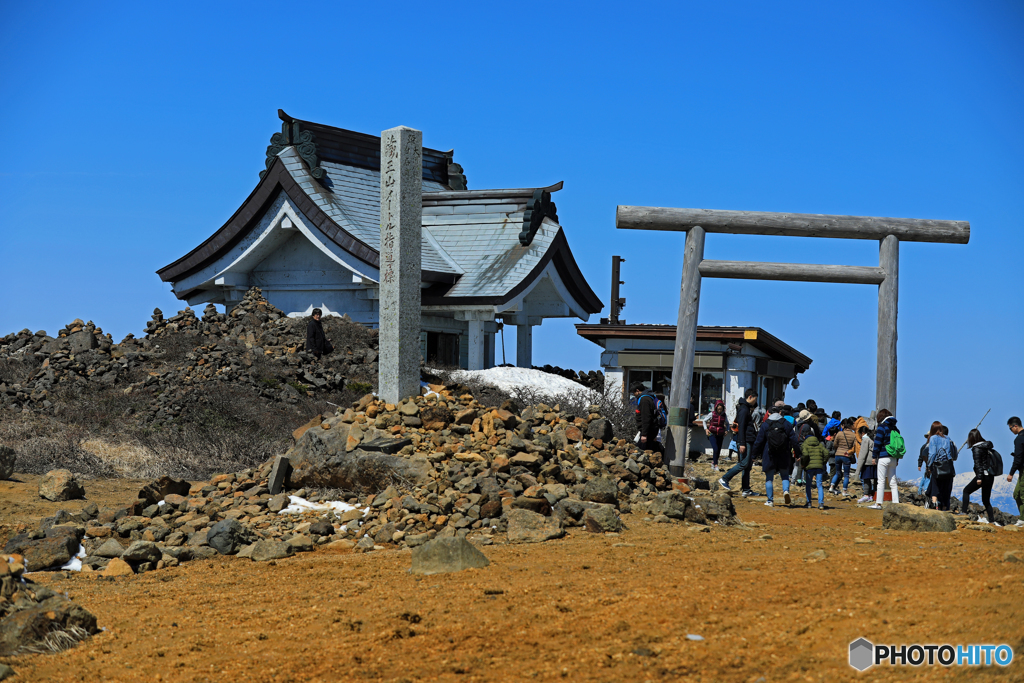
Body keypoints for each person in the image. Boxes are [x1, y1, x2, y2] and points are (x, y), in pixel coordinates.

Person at [753, 405, 800, 507]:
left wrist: (754, 455)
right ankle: (786, 491)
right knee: (785, 476)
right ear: (780, 413)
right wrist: (798, 453)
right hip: (784, 453)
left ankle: (770, 500)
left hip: (769, 454)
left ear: (768, 413)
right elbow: (794, 440)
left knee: (769, 478)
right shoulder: (786, 424)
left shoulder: (765, 425)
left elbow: (759, 441)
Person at [719, 389, 759, 497]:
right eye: (755, 399)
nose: (756, 402)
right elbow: (741, 427)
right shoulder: (743, 409)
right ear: (750, 397)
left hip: (747, 440)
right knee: (744, 463)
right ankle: (725, 478)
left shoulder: (746, 408)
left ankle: (746, 489)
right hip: (745, 441)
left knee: (747, 465)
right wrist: (741, 443)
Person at [959, 428, 998, 524]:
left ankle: (964, 512)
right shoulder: (986, 446)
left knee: (966, 491)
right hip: (990, 475)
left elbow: (978, 464)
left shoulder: (976, 449)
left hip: (982, 475)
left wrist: (979, 478)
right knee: (986, 500)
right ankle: (992, 521)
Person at [868, 409, 903, 509]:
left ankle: (878, 503)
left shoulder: (882, 427)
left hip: (883, 457)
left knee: (881, 481)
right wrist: (897, 459)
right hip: (893, 458)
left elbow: (877, 443)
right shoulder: (895, 429)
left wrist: (874, 456)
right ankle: (896, 503)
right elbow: (897, 445)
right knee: (893, 481)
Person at [925, 424, 957, 511]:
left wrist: (929, 465)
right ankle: (944, 507)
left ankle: (934, 504)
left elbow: (932, 454)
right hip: (948, 466)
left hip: (937, 465)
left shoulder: (933, 438)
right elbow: (954, 454)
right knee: (946, 488)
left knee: (935, 486)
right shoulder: (948, 438)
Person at [829, 419, 859, 497]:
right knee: (846, 475)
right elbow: (854, 446)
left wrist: (839, 449)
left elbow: (835, 444)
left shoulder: (839, 433)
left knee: (837, 472)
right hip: (847, 455)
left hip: (838, 454)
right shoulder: (853, 435)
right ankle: (844, 491)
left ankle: (832, 486)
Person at [630, 382, 663, 454]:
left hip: (648, 431)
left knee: (642, 452)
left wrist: (644, 434)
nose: (634, 395)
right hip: (652, 429)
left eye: (633, 393)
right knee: (651, 449)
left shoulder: (644, 400)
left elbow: (646, 417)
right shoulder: (649, 397)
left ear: (637, 390)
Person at [917, 422, 942, 509]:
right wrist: (920, 464)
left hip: (930, 467)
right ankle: (934, 503)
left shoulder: (927, 446)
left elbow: (922, 456)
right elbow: (921, 456)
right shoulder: (926, 446)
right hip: (932, 467)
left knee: (931, 484)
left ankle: (930, 503)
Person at [800, 433, 829, 509]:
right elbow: (827, 453)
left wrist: (803, 464)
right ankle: (821, 503)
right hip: (819, 467)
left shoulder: (805, 444)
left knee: (808, 485)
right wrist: (823, 462)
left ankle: (809, 503)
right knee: (819, 485)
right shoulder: (819, 444)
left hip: (809, 467)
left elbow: (805, 455)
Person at [702, 400, 729, 471]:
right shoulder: (712, 414)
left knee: (718, 450)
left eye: (721, 409)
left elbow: (728, 423)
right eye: (718, 409)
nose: (720, 410)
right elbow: (704, 421)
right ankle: (716, 465)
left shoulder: (724, 415)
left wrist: (727, 430)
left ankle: (713, 462)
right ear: (716, 408)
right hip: (712, 434)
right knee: (715, 449)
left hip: (720, 434)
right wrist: (706, 429)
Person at [854, 422, 876, 503]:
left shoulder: (865, 440)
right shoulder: (872, 439)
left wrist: (857, 471)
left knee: (866, 479)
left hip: (867, 463)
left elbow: (862, 455)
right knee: (874, 480)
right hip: (874, 462)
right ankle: (871, 495)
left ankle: (866, 495)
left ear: (862, 433)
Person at [1008, 416, 1024, 526]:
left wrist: (1011, 473)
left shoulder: (1019, 439)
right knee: (1017, 494)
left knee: (1021, 494)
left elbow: (1018, 458)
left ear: (1015, 426)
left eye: (1010, 428)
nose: (1011, 430)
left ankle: (1022, 519)